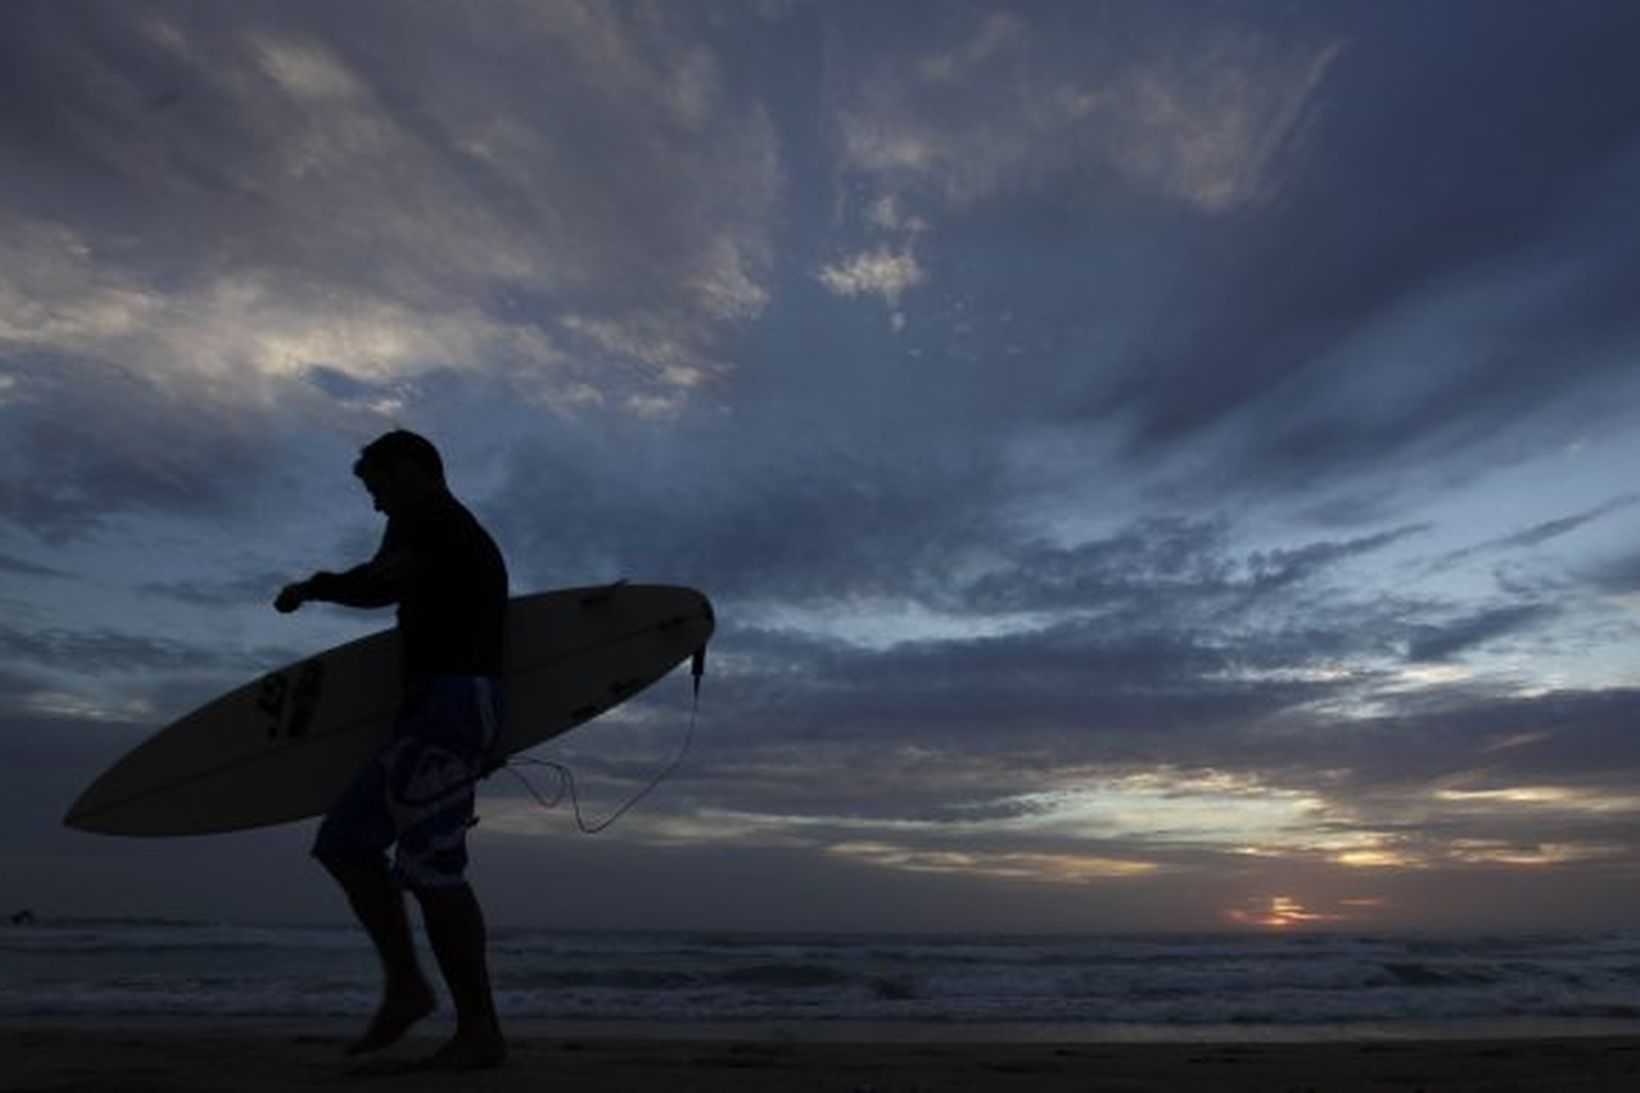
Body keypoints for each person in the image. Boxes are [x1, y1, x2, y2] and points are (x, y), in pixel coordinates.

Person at [275, 430, 508, 1069]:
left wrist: (312, 586)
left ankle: (480, 1032)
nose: (376, 506)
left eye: (377, 488)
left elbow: (378, 585)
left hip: (450, 707)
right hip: (432, 712)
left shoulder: (431, 519)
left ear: (410, 471)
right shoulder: (439, 529)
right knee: (346, 844)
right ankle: (407, 986)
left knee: (434, 868)